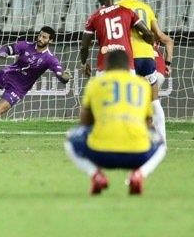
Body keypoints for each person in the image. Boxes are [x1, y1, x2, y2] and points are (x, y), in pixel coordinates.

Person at [64, 50, 167, 195]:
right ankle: (139, 175)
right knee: (161, 144)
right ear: (129, 65)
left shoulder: (95, 83)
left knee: (70, 138)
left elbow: (84, 122)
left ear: (106, 65)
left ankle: (96, 175)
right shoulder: (142, 85)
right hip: (137, 153)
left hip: (100, 153)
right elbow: (148, 123)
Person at [116, 0, 174, 143]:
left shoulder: (117, 7)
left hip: (128, 58)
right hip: (148, 57)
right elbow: (159, 35)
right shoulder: (146, 7)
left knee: (126, 100)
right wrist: (168, 62)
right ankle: (162, 141)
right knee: (155, 102)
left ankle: (127, 139)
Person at [79, 0, 154, 77]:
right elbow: (148, 33)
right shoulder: (128, 12)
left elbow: (84, 47)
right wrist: (152, 44)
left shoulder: (93, 18)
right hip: (126, 66)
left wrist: (83, 63)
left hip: (105, 67)